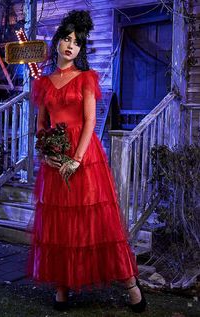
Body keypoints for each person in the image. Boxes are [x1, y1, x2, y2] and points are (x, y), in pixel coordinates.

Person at [27, 9, 147, 314]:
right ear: (57, 42)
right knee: (60, 226)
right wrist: (48, 154)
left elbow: (91, 120)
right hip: (56, 163)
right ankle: (62, 288)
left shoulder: (86, 79)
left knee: (99, 225)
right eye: (66, 39)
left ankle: (132, 287)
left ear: (81, 49)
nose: (70, 46)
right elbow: (41, 124)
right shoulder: (42, 84)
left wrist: (76, 160)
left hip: (84, 159)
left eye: (77, 42)